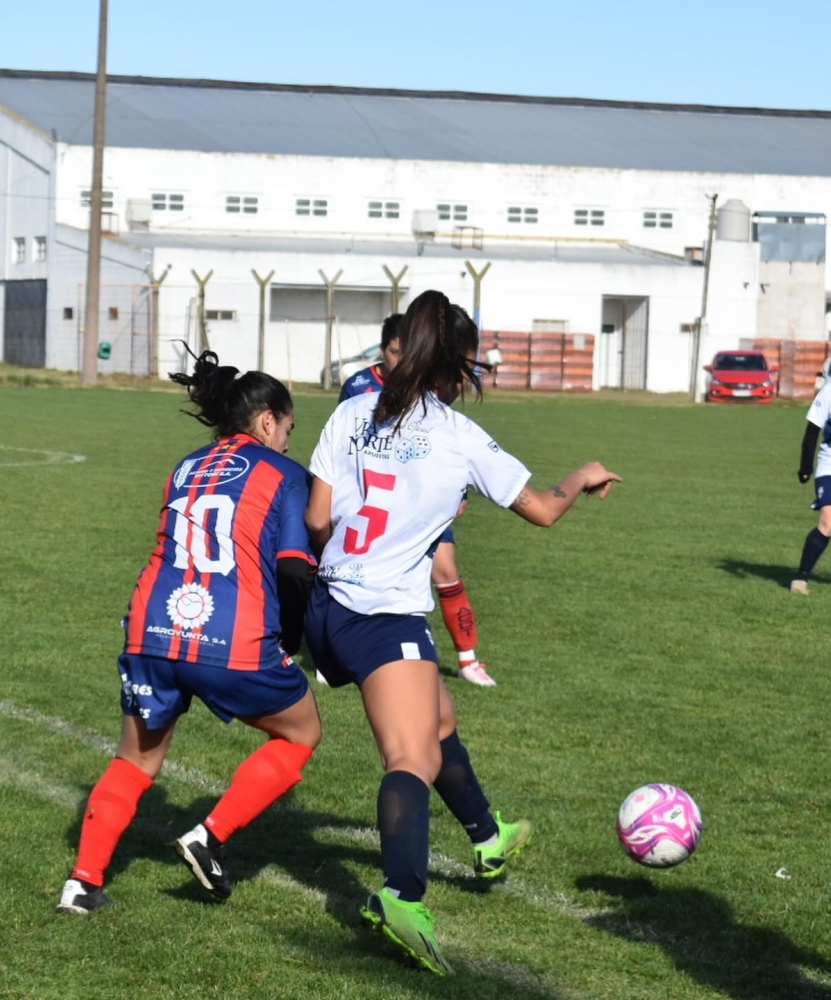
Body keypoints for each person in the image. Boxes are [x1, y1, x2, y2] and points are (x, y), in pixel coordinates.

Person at [304, 290, 620, 975]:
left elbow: (318, 519)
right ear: (455, 366)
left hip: (327, 609)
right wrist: (582, 475)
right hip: (381, 615)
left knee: (437, 716)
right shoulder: (456, 435)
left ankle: (488, 836)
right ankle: (401, 897)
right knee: (410, 756)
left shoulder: (352, 412)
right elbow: (541, 509)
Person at [57, 349, 321, 913]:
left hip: (151, 622)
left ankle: (80, 884)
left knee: (135, 759)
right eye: (288, 428)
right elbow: (296, 565)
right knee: (301, 733)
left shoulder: (184, 466)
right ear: (268, 419)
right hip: (234, 633)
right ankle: (209, 835)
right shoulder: (285, 474)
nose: (289, 442)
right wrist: (294, 640)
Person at [339, 312, 495, 687]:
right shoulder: (357, 387)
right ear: (383, 350)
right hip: (376, 501)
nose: (400, 361)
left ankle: (469, 659)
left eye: (406, 353)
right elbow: (347, 445)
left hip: (422, 499)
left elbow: (449, 445)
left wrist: (459, 490)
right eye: (394, 352)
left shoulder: (431, 389)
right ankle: (344, 655)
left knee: (446, 570)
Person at [791, 373, 831, 594]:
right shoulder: (829, 392)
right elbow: (812, 430)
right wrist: (806, 465)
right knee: (828, 522)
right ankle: (801, 578)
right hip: (829, 467)